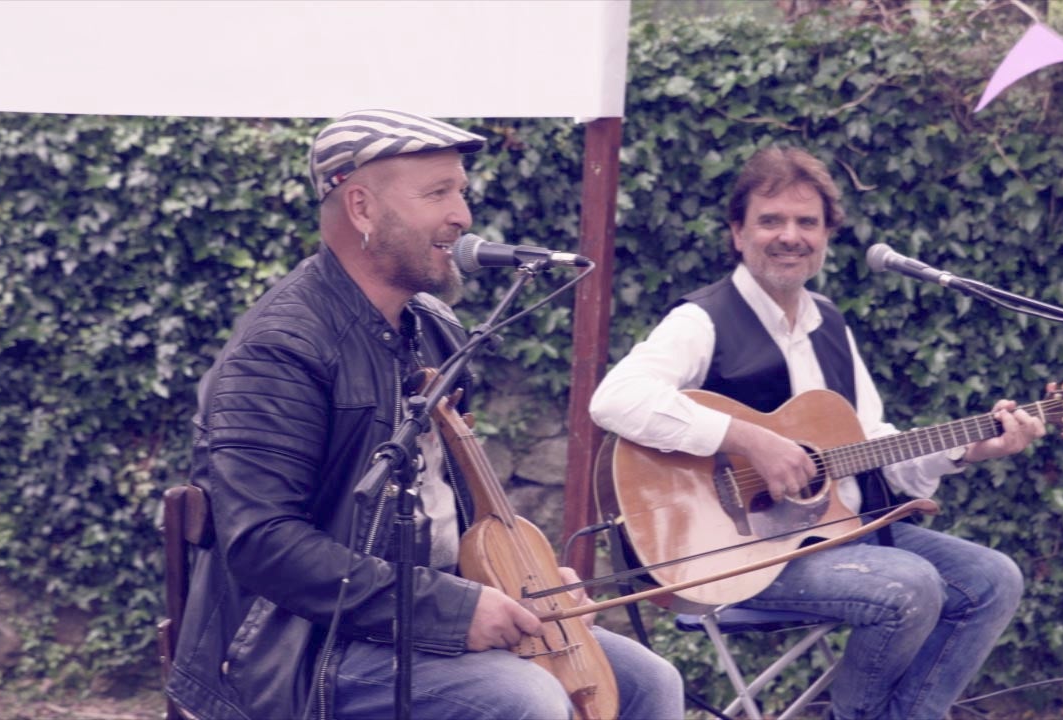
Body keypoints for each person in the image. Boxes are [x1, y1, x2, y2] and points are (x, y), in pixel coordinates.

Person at [167, 109, 683, 720]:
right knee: (524, 699)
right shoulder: (280, 348)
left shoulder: (435, 330)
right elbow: (265, 545)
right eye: (437, 193)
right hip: (303, 645)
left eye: (460, 191)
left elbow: (449, 512)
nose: (462, 216)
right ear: (361, 208)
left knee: (650, 682)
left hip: (422, 614)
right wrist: (455, 610)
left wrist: (527, 584)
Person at [589, 145, 1045, 720]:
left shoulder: (829, 323)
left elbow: (873, 449)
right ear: (737, 232)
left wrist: (971, 449)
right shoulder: (702, 319)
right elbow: (615, 399)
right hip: (739, 555)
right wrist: (749, 439)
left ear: (827, 234)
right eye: (771, 220)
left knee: (992, 579)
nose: (790, 236)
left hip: (840, 535)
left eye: (808, 222)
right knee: (910, 587)